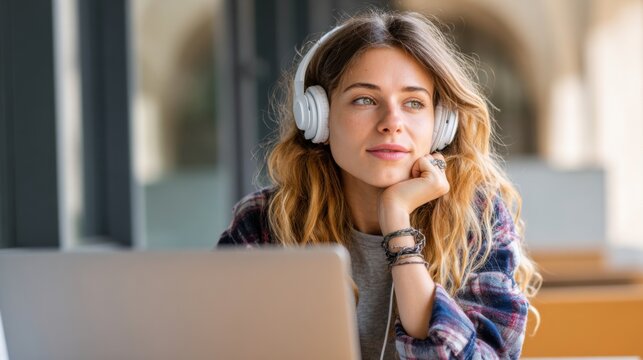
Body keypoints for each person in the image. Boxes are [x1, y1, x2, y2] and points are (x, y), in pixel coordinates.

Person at [218, 9, 541, 360]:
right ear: (318, 119)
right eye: (365, 100)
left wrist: (397, 221)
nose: (392, 122)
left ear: (441, 125)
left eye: (414, 103)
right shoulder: (265, 221)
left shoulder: (478, 222)